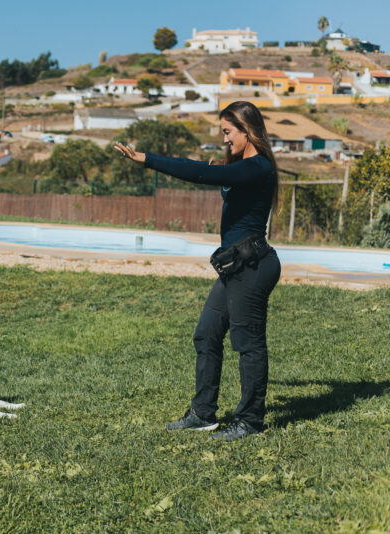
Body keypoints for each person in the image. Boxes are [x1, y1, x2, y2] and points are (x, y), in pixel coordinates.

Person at [114, 101, 281, 441]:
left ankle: (250, 420)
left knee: (248, 344)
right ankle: (203, 413)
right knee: (206, 334)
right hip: (234, 265)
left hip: (252, 265)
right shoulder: (242, 167)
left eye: (227, 132)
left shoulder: (258, 167)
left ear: (247, 131)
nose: (224, 139)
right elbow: (219, 176)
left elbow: (203, 174)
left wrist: (148, 159)